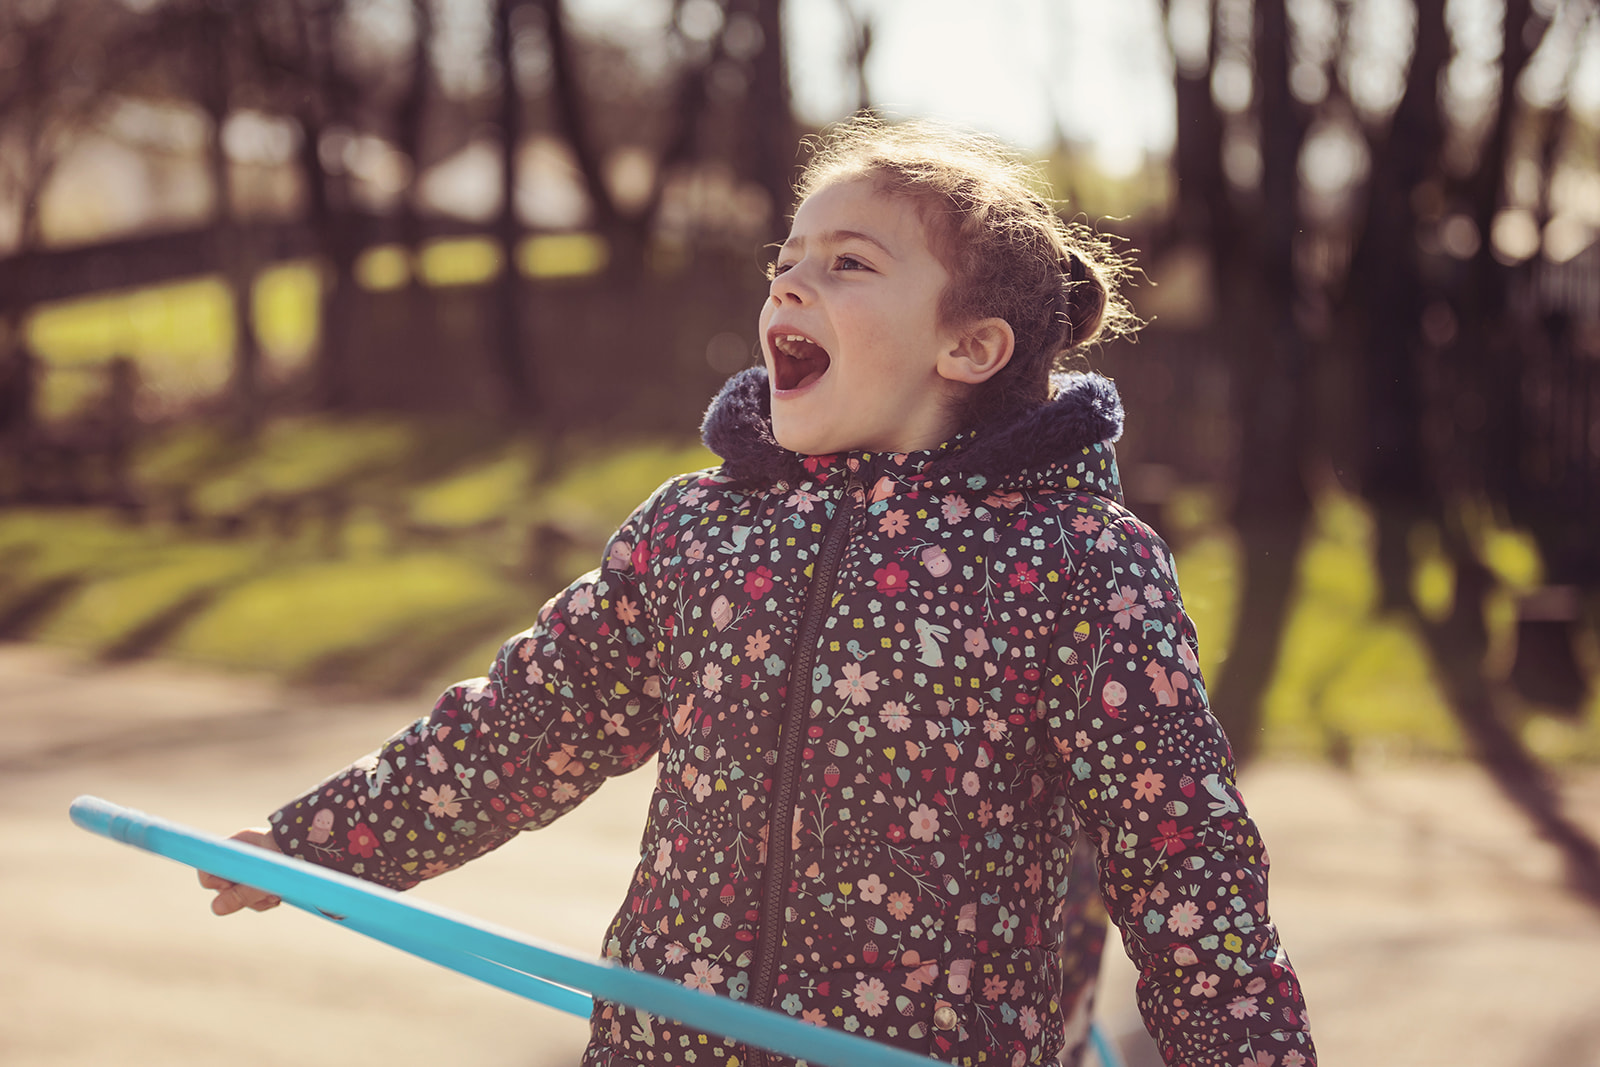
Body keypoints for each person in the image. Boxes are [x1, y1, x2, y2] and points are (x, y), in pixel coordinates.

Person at [202, 117, 1316, 1067]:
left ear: (969, 345)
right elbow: (526, 721)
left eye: (848, 264)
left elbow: (1186, 863)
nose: (788, 280)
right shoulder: (699, 530)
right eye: (786, 260)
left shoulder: (1080, 564)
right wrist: (320, 841)